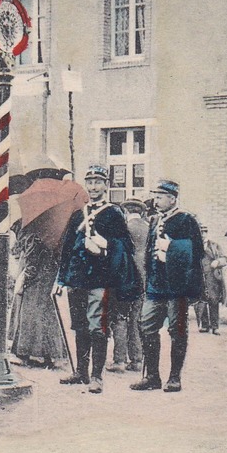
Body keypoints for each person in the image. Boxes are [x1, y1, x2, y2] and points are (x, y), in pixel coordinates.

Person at [55, 164, 142, 393]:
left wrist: (104, 246)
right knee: (80, 326)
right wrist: (61, 279)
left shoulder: (113, 213)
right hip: (78, 279)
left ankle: (96, 377)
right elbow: (66, 249)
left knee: (98, 327)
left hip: (101, 280)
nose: (93, 186)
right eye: (90, 182)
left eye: (98, 182)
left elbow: (125, 247)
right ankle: (81, 373)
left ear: (106, 185)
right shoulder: (77, 214)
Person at [130, 179, 204, 394]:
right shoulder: (153, 220)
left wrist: (171, 247)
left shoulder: (186, 220)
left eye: (160, 196)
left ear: (172, 199)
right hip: (156, 286)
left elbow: (197, 251)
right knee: (146, 325)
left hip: (178, 287)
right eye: (155, 196)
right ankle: (152, 376)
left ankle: (174, 378)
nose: (156, 200)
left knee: (177, 330)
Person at [8, 225, 67, 368]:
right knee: (48, 316)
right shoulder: (57, 230)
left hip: (36, 282)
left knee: (30, 316)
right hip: (50, 278)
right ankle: (51, 355)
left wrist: (25, 278)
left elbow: (31, 262)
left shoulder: (34, 233)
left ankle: (26, 354)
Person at [109, 199, 150, 373]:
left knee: (119, 319)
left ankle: (119, 360)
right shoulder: (149, 228)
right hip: (145, 280)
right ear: (140, 212)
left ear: (125, 212)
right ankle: (137, 360)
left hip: (125, 279)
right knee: (136, 320)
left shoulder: (122, 228)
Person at [195, 224, 227, 335]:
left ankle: (215, 326)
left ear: (207, 233)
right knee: (201, 301)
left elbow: (225, 259)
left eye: (204, 232)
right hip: (199, 277)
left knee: (213, 300)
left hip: (212, 278)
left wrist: (218, 262)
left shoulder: (215, 246)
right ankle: (204, 325)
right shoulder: (194, 246)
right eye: (200, 232)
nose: (202, 234)